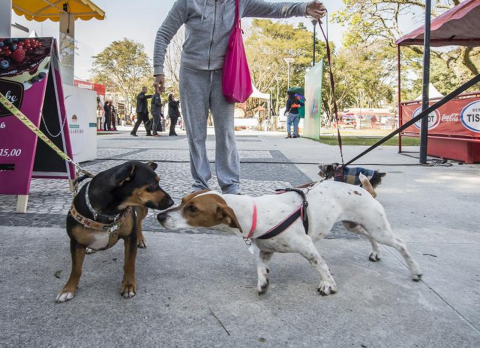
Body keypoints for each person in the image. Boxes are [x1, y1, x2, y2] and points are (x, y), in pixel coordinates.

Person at [153, 0, 326, 194]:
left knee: (226, 133)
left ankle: (230, 186)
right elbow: (164, 33)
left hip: (224, 74)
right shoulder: (187, 3)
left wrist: (303, 8)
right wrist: (158, 69)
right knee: (196, 134)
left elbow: (274, 9)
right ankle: (200, 186)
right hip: (192, 73)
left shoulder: (238, 3)